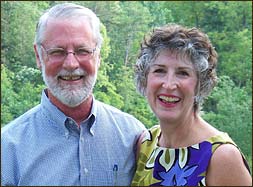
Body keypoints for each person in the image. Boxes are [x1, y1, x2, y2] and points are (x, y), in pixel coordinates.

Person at [1, 3, 146, 186]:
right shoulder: (7, 149)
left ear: (98, 56)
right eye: (57, 52)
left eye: (82, 51)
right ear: (38, 56)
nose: (71, 63)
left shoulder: (132, 136)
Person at [131, 23, 252, 186]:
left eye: (183, 73)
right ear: (145, 79)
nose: (169, 84)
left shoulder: (221, 157)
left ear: (200, 84)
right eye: (159, 70)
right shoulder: (146, 144)